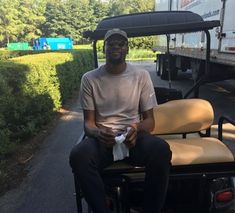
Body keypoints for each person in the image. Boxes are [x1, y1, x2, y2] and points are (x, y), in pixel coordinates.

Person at [69, 28, 172, 213]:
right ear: (104, 48)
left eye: (121, 43)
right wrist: (98, 133)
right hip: (103, 139)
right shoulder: (89, 79)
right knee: (78, 156)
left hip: (132, 137)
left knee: (161, 150)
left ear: (127, 49)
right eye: (111, 43)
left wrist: (136, 128)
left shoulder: (141, 76)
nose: (116, 47)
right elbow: (88, 124)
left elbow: (150, 122)